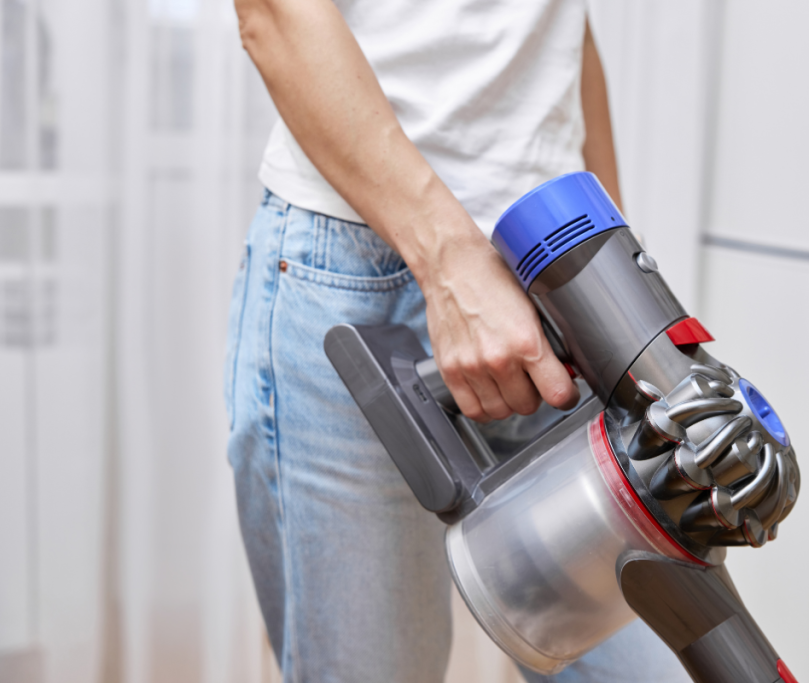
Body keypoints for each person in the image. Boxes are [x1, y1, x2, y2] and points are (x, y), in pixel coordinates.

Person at [225, 0, 685, 681]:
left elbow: (556, 35)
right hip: (364, 270)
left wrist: (615, 277)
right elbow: (277, 15)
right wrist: (448, 264)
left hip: (552, 275)